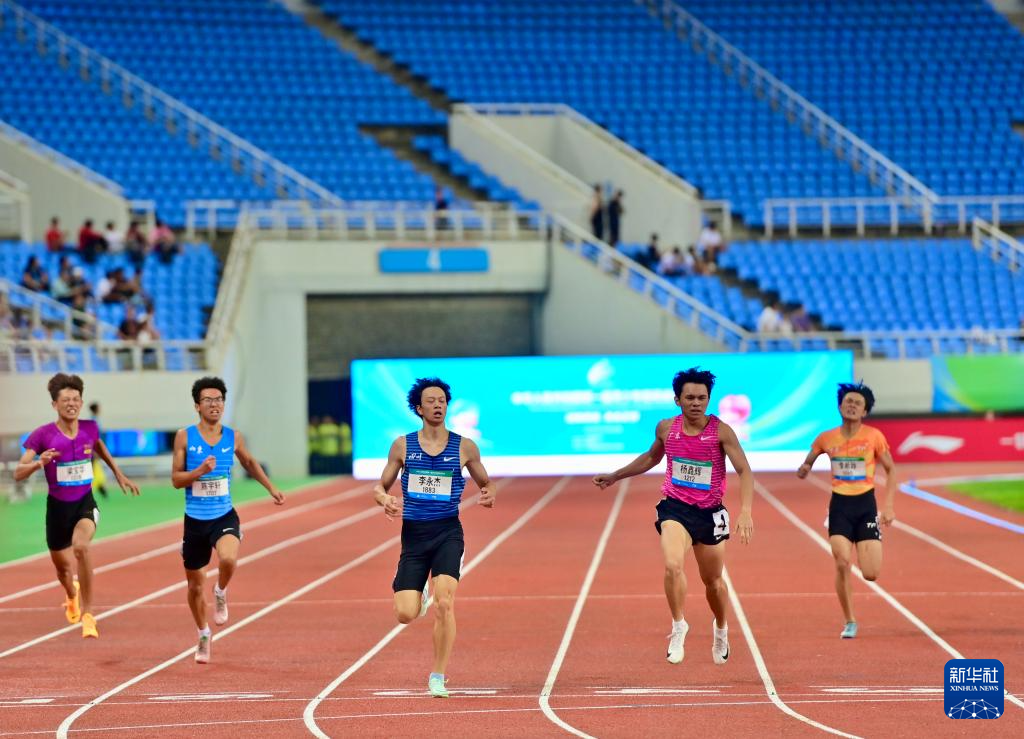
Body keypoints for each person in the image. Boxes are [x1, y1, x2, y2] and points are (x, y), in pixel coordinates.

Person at [593, 367, 754, 666]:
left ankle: (721, 628)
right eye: (690, 398)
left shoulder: (721, 432)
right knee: (672, 565)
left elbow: (744, 470)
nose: (696, 403)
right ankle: (679, 626)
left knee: (713, 582)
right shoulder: (667, 428)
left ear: (708, 399)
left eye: (702, 398)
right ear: (677, 399)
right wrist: (616, 475)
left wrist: (745, 511)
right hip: (675, 508)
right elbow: (651, 457)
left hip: (710, 513)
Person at [373, 377, 495, 697]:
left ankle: (437, 676)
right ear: (419, 408)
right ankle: (419, 591)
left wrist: (489, 492)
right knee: (405, 614)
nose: (438, 405)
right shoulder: (403, 445)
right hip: (414, 537)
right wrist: (384, 499)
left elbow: (486, 482)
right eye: (431, 401)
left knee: (445, 603)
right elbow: (380, 486)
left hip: (447, 533)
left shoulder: (464, 446)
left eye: (442, 400)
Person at [13, 373, 141, 638]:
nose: (71, 404)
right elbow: (18, 472)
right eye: (65, 400)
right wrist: (38, 463)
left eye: (75, 399)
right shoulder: (42, 435)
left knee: (81, 547)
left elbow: (100, 448)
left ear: (81, 403)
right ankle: (71, 594)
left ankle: (89, 614)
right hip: (57, 510)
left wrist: (119, 474)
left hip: (84, 504)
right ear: (54, 404)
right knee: (62, 569)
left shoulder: (90, 428)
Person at [171, 377, 285, 664]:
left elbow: (249, 463)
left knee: (229, 559)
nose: (215, 404)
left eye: (219, 399)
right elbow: (176, 480)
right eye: (208, 400)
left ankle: (221, 590)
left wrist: (270, 487)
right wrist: (198, 472)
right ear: (197, 406)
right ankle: (203, 633)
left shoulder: (233, 437)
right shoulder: (184, 437)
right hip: (195, 520)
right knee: (194, 587)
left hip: (223, 515)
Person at [796, 382, 896, 639]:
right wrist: (805, 468)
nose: (852, 405)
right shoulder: (826, 438)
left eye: (858, 403)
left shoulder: (874, 437)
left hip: (866, 505)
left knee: (870, 574)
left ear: (865, 411)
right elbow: (808, 461)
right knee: (842, 562)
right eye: (848, 401)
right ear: (840, 406)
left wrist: (888, 506)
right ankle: (850, 620)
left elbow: (891, 470)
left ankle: (868, 544)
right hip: (839, 506)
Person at [88, 402, 108, 499]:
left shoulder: (94, 420)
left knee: (95, 470)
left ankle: (100, 487)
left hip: (93, 450)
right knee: (91, 471)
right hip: (93, 451)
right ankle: (92, 490)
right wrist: (95, 451)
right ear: (96, 409)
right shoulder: (94, 421)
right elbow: (94, 437)